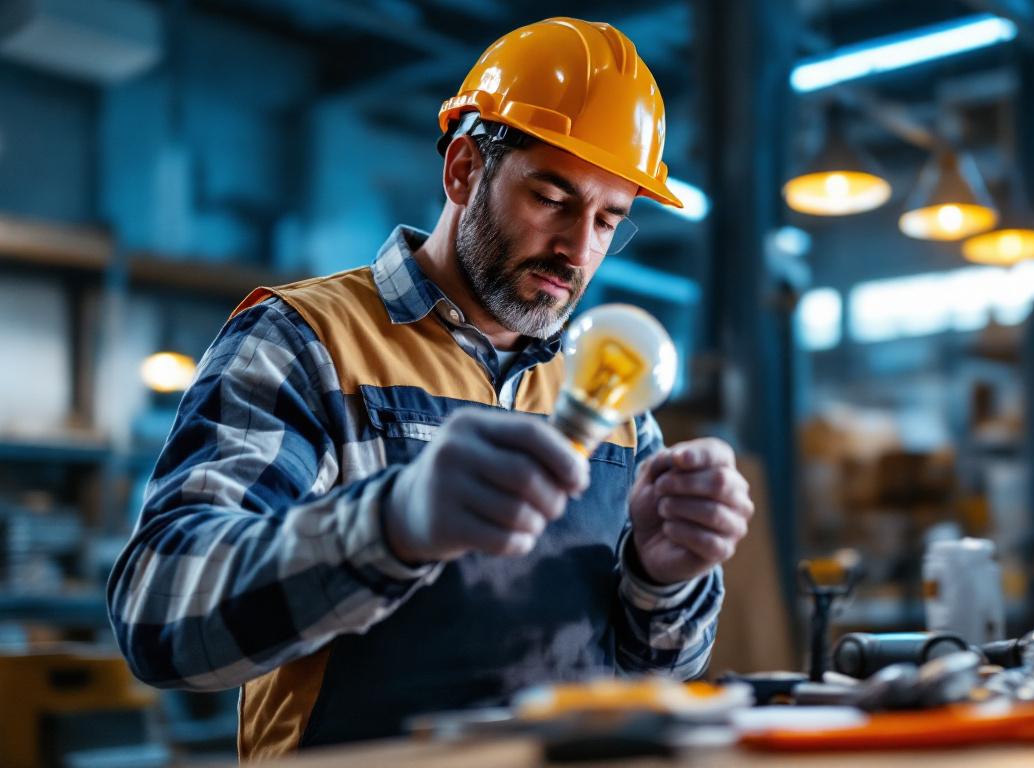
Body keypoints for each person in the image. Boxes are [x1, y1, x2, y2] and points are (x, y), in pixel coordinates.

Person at [106, 17, 754, 760]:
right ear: (464, 171)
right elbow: (160, 620)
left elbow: (664, 670)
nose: (579, 250)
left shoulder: (608, 389)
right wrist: (393, 523)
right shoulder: (307, 341)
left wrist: (662, 578)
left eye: (609, 220)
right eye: (552, 197)